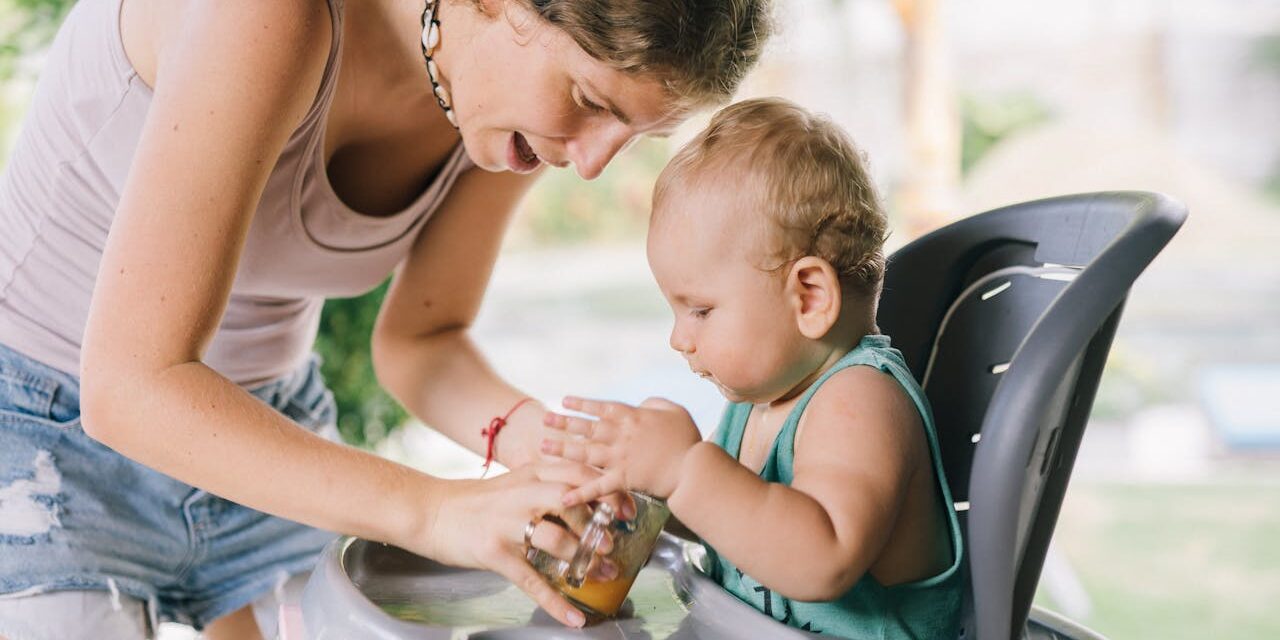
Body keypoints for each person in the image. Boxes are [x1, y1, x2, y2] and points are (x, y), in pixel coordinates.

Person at [0, 0, 774, 637]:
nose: (595, 159)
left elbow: (422, 343)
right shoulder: (267, 16)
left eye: (636, 134)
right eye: (591, 101)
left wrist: (560, 460)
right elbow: (132, 386)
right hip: (39, 433)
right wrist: (433, 510)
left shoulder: (515, 115)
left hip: (266, 432)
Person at [542, 98, 965, 638]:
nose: (679, 338)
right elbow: (736, 523)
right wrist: (647, 491)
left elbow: (821, 557)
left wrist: (684, 469)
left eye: (701, 310)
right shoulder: (760, 403)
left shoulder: (861, 398)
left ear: (809, 297)